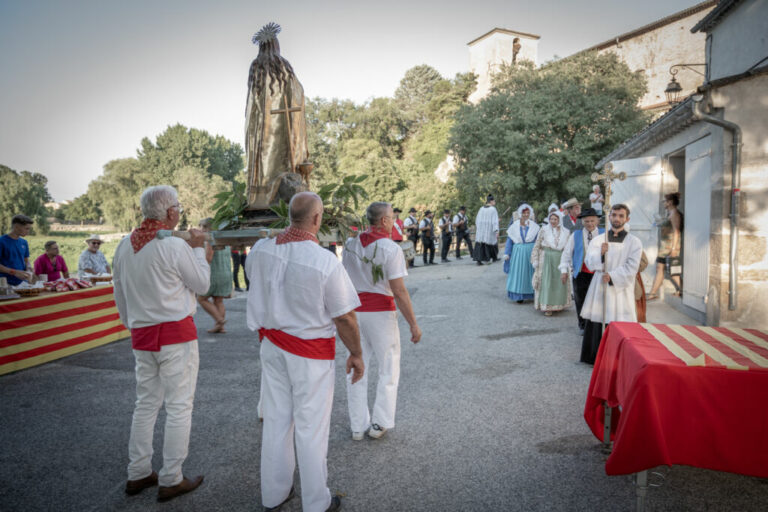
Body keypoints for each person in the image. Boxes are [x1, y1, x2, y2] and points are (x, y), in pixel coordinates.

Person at [245, 191, 363, 512]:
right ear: (317, 218)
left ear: (289, 217)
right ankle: (316, 503)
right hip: (309, 354)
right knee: (311, 427)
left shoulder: (260, 251)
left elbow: (254, 280)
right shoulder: (324, 261)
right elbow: (345, 317)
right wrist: (357, 353)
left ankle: (274, 494)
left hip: (272, 348)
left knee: (277, 421)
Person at [112, 185, 209, 502]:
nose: (179, 212)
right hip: (175, 335)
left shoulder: (125, 246)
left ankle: (138, 471)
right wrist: (198, 250)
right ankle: (171, 477)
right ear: (170, 213)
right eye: (178, 207)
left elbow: (120, 295)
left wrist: (133, 324)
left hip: (142, 334)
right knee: (179, 407)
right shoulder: (173, 246)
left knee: (146, 404)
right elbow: (202, 284)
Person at [343, 202, 421, 441]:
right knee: (388, 365)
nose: (395, 222)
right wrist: (413, 323)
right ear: (384, 221)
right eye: (392, 218)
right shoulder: (390, 248)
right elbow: (399, 291)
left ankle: (358, 425)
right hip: (380, 313)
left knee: (357, 365)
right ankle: (379, 422)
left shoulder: (350, 245)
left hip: (355, 312)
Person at [579, 204, 643, 365]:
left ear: (627, 219)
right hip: (600, 286)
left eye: (621, 216)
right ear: (609, 217)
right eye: (614, 215)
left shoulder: (634, 242)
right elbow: (589, 262)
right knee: (598, 319)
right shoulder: (599, 240)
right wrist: (600, 254)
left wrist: (613, 276)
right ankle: (594, 356)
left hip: (620, 289)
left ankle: (618, 358)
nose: (617, 218)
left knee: (619, 320)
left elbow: (632, 266)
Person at [559, 208, 604, 333]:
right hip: (580, 273)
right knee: (580, 300)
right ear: (582, 221)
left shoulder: (604, 234)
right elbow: (567, 253)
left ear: (597, 220)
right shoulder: (576, 235)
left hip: (598, 273)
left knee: (598, 300)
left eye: (592, 221)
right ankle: (583, 325)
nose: (590, 224)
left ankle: (597, 326)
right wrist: (564, 270)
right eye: (586, 221)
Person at [196, 218, 233, 334]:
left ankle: (219, 320)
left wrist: (198, 264)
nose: (201, 229)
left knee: (201, 298)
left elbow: (209, 258)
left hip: (213, 274)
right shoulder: (225, 240)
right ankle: (220, 327)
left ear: (208, 228)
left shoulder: (210, 240)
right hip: (225, 273)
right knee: (218, 300)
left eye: (203, 227)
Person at [531, 211, 571, 316]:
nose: (553, 221)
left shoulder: (566, 232)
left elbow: (568, 249)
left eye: (555, 219)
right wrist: (535, 259)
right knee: (547, 282)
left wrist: (568, 263)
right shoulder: (544, 230)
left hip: (560, 258)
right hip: (546, 258)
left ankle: (559, 304)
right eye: (551, 219)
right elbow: (537, 245)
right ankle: (547, 306)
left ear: (560, 220)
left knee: (559, 282)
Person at [647, 192, 683, 300]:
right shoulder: (670, 213)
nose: (663, 203)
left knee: (673, 271)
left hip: (670, 247)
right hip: (664, 247)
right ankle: (653, 293)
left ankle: (682, 290)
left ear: (670, 202)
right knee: (660, 268)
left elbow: (676, 232)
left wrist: (674, 248)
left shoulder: (675, 214)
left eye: (665, 201)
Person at [503, 204, 539, 302]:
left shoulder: (534, 227)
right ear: (520, 214)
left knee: (530, 273)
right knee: (519, 273)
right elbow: (509, 240)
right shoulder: (514, 226)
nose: (526, 215)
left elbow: (537, 241)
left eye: (528, 213)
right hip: (518, 253)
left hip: (530, 252)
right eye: (524, 213)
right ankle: (519, 295)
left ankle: (531, 292)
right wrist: (507, 253)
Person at [0, 214, 34, 286]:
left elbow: (26, 261)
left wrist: (29, 268)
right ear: (16, 227)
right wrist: (14, 272)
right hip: (5, 284)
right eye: (26, 228)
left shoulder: (24, 242)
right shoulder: (1, 241)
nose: (28, 231)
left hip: (23, 284)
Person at [474, 195, 500, 265]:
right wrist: (496, 230)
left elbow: (477, 220)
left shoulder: (481, 209)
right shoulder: (493, 209)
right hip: (489, 230)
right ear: (491, 201)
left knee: (480, 243)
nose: (494, 202)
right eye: (494, 201)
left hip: (481, 230)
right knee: (492, 242)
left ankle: (479, 260)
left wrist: (479, 228)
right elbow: (494, 221)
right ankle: (493, 258)